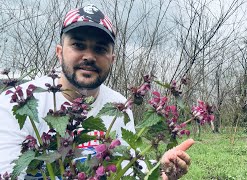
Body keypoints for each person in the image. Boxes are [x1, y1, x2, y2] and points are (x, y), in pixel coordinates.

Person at [0, 4, 193, 179]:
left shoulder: (119, 106)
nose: (89, 57)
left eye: (100, 49)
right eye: (78, 45)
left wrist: (161, 173)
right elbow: (6, 171)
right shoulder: (17, 102)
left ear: (112, 59)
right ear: (59, 52)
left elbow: (125, 168)